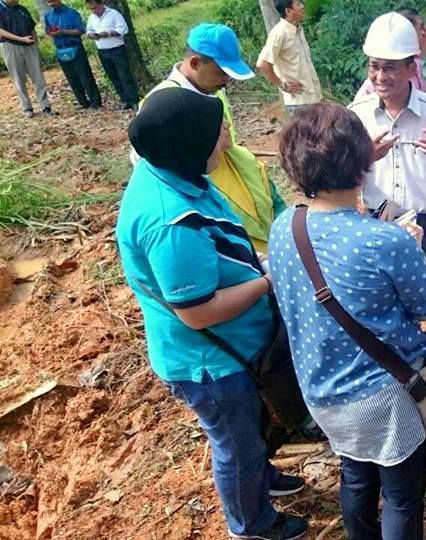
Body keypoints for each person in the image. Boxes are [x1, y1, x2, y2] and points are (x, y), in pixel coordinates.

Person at [116, 87, 308, 540]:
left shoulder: (175, 174)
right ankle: (252, 523)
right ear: (188, 144)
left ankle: (258, 478)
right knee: (235, 444)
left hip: (235, 346)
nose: (226, 136)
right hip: (210, 361)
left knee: (252, 431)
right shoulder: (170, 223)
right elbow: (197, 313)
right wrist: (268, 281)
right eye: (218, 130)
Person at [269, 103, 426, 540]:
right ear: (363, 163)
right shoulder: (386, 241)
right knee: (403, 497)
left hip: (321, 393)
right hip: (385, 399)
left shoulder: (284, 227)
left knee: (355, 476)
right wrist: (415, 247)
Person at [348, 11, 426, 372]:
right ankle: (403, 374)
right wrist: (365, 156)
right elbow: (340, 178)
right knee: (387, 304)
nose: (380, 77)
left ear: (412, 66)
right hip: (379, 224)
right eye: (374, 67)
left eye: (390, 68)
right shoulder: (357, 116)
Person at [135, 23, 286, 254]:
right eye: (221, 72)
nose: (226, 80)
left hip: (236, 176)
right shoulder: (161, 106)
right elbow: (151, 167)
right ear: (195, 63)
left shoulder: (212, 89)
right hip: (209, 198)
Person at [353, 8, 426, 101]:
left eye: (424, 28)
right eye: (420, 28)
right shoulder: (371, 89)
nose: (424, 33)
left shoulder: (420, 68)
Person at [256, 0, 322, 114]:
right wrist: (283, 85)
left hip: (314, 98)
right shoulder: (279, 33)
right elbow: (262, 64)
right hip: (299, 102)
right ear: (288, 11)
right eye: (298, 4)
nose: (302, 6)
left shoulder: (298, 29)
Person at [44, 0, 101, 110]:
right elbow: (47, 30)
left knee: (85, 76)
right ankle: (83, 102)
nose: (51, 4)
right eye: (49, 2)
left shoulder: (72, 13)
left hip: (75, 47)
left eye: (53, 1)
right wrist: (51, 32)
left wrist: (63, 32)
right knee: (72, 78)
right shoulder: (48, 15)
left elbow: (80, 30)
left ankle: (95, 102)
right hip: (61, 49)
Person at [0, 0, 51, 117]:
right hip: (11, 46)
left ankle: (45, 106)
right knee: (18, 78)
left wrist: (35, 45)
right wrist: (20, 39)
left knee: (38, 77)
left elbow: (31, 27)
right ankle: (27, 108)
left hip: (30, 46)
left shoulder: (21, 9)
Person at [85, 0, 138, 110]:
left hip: (116, 49)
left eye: (94, 8)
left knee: (124, 75)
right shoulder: (91, 17)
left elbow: (123, 29)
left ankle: (133, 100)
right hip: (103, 50)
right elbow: (88, 30)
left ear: (100, 4)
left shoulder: (113, 14)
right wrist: (92, 35)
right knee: (113, 76)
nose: (93, 11)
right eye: (91, 9)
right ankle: (124, 99)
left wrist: (108, 33)